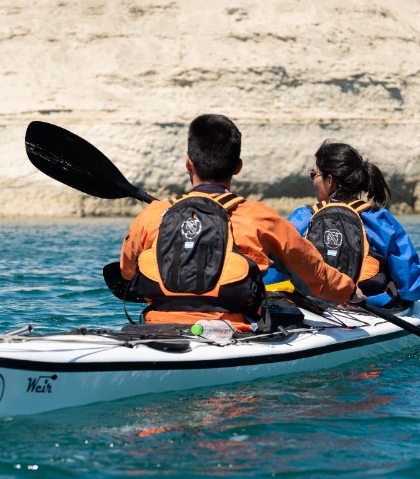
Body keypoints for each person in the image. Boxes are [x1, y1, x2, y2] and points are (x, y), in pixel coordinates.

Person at [120, 114, 356, 330]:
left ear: (188, 163)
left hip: (155, 328)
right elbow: (315, 273)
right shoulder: (261, 218)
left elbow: (127, 272)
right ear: (238, 167)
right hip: (231, 331)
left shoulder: (152, 215)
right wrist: (350, 291)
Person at [266, 141, 420, 308]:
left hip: (312, 306)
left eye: (314, 175)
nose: (312, 180)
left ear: (329, 180)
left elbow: (271, 274)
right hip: (369, 307)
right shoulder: (379, 220)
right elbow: (413, 288)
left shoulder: (302, 218)